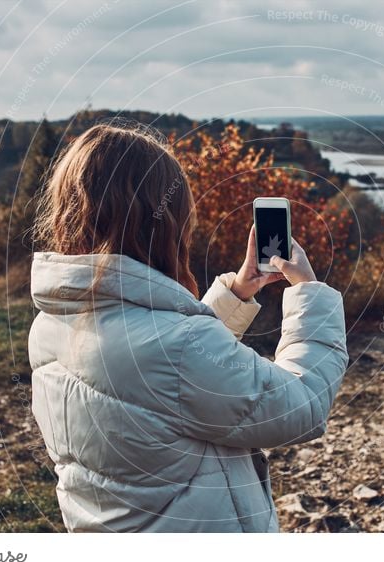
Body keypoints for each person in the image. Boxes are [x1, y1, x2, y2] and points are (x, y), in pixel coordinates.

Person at [28, 123, 348, 532]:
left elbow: (164, 383)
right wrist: (309, 292)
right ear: (161, 223)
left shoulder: (53, 323)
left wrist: (235, 294)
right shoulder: (174, 346)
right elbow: (301, 405)